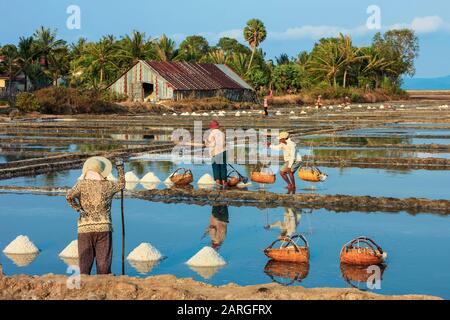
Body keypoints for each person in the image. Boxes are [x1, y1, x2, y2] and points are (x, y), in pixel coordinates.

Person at [66, 156, 125, 275]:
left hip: (85, 228)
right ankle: (102, 283)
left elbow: (69, 196)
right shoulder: (108, 185)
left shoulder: (81, 184)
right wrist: (120, 168)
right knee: (103, 261)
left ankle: (84, 284)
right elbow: (122, 184)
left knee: (85, 261)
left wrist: (78, 208)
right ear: (102, 171)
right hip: (104, 227)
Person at [205, 120, 227, 187]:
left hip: (215, 153)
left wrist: (206, 142)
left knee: (216, 168)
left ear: (211, 127)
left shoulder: (212, 133)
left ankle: (218, 183)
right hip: (223, 152)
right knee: (223, 167)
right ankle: (224, 182)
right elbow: (224, 143)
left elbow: (212, 144)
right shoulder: (222, 133)